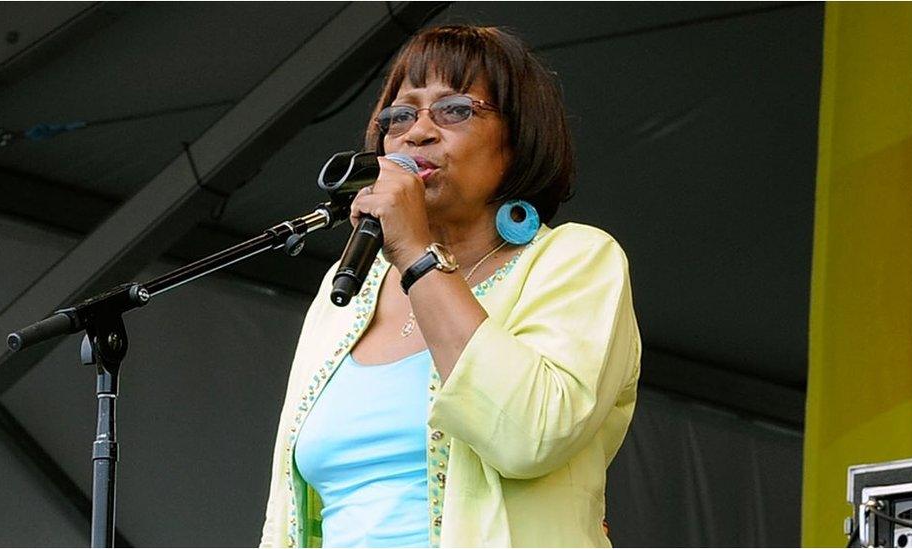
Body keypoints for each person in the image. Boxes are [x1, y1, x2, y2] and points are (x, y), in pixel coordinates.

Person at [260, 25, 641, 548]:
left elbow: (531, 436)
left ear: (518, 135)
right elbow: (287, 517)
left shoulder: (575, 260)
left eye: (455, 109)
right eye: (400, 115)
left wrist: (417, 255)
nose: (417, 132)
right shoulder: (346, 289)